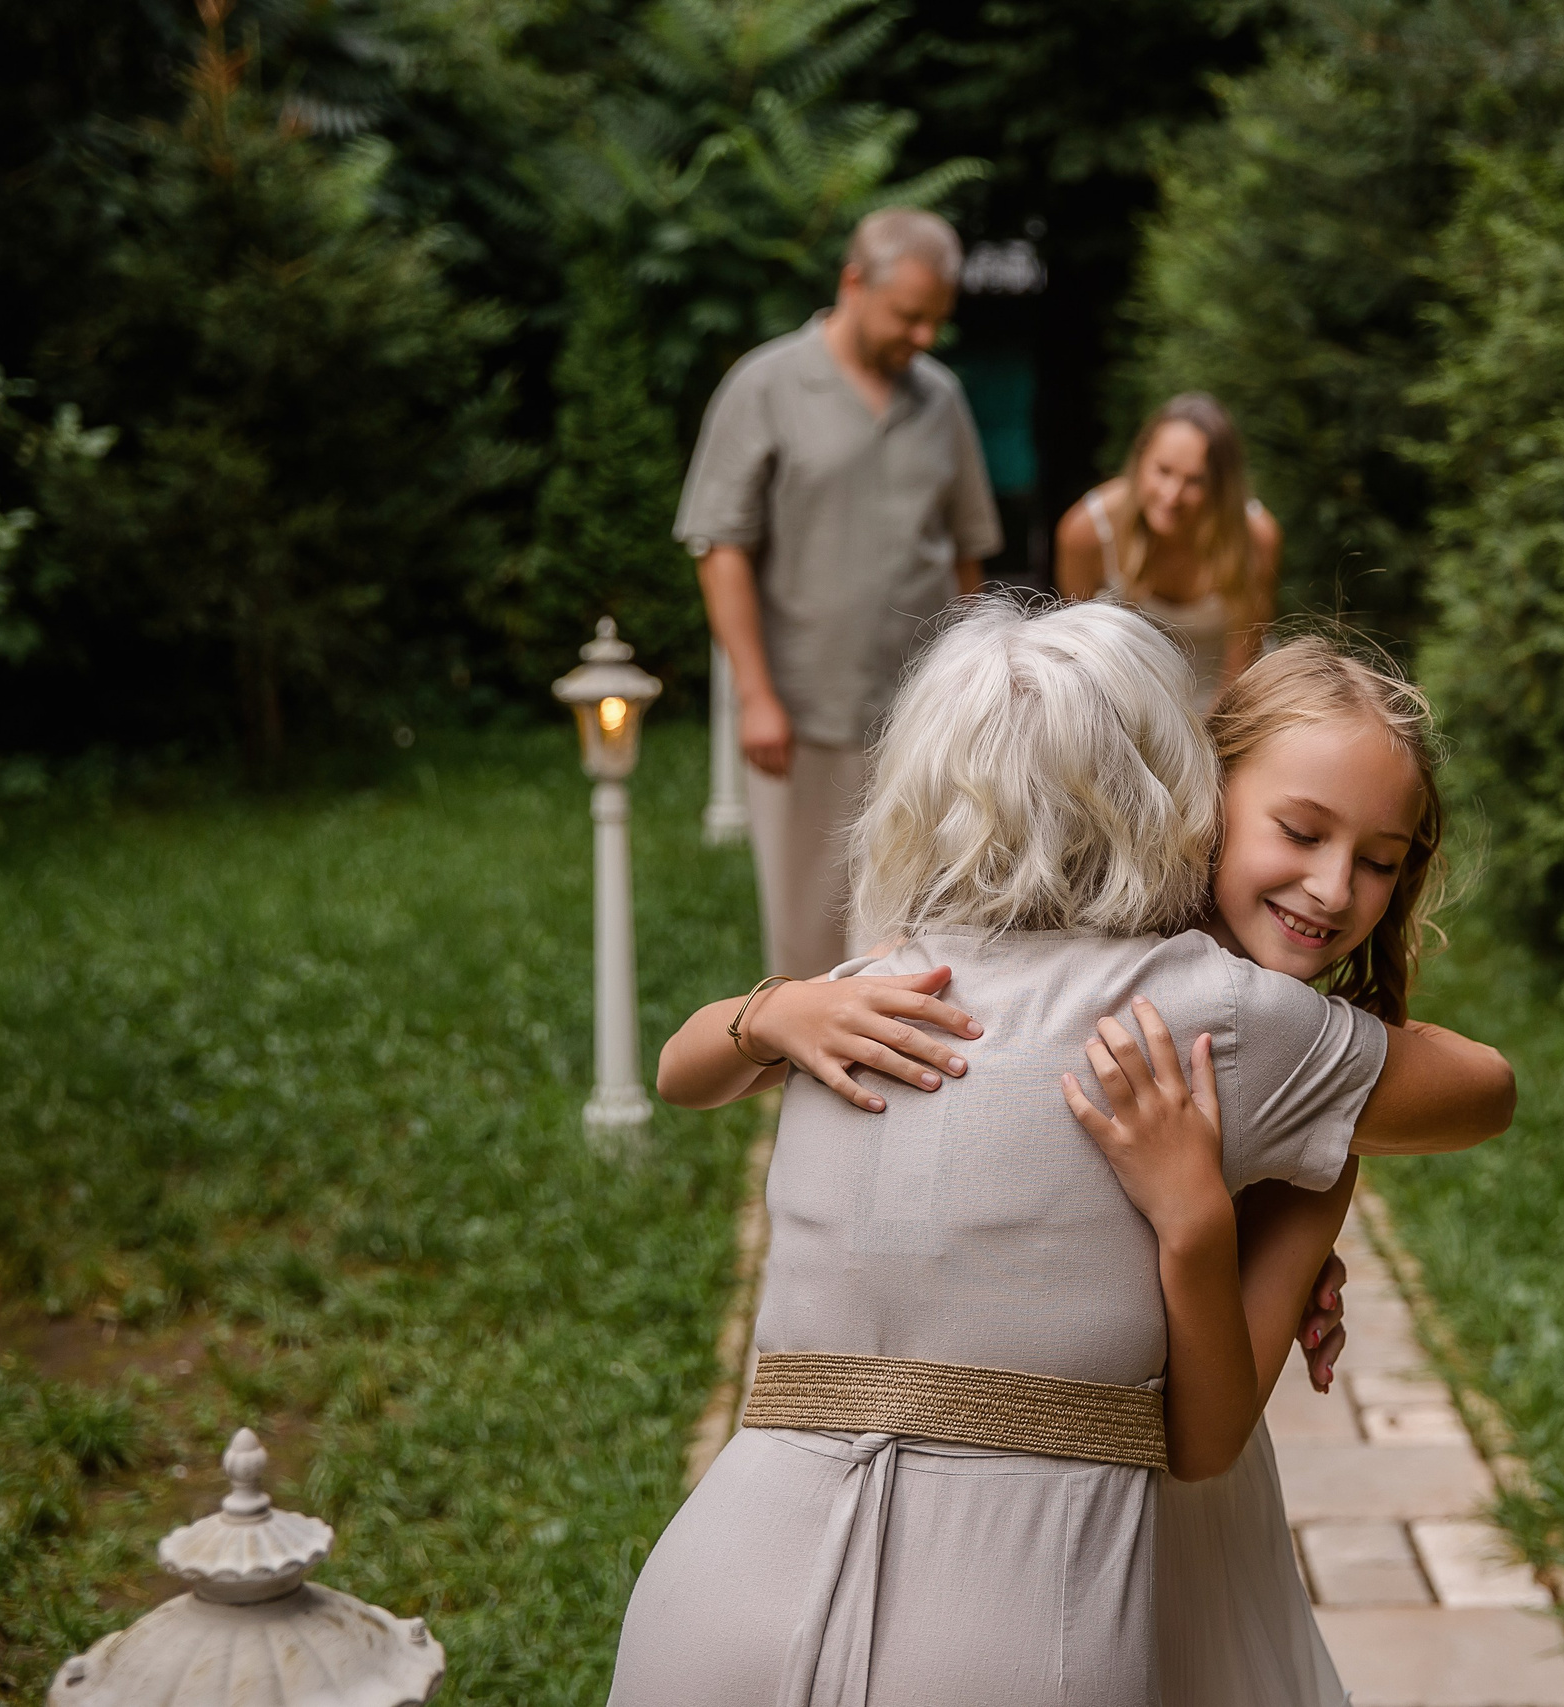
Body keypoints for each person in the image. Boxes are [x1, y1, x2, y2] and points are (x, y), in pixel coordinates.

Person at [605, 602, 1512, 1707]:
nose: (1332, 887)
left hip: (720, 1570)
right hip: (1037, 1598)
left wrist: (769, 1011)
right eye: (1299, 830)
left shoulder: (885, 980)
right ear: (1194, 793)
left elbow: (681, 1071)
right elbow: (1483, 1090)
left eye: (1377, 860)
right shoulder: (1232, 1020)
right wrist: (1220, 1217)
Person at [677, 207, 1002, 977]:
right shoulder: (765, 385)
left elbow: (967, 554)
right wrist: (756, 694)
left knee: (925, 921)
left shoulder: (942, 398)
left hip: (925, 713)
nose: (924, 335)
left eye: (936, 320)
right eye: (908, 315)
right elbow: (721, 549)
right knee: (808, 927)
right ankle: (801, 1049)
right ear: (853, 283)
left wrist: (978, 685)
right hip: (805, 710)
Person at [1056, 393, 1279, 709]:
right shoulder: (1086, 531)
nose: (1172, 496)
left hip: (1225, 706)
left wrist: (1209, 732)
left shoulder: (1256, 538)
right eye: (1162, 470)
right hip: (1124, 705)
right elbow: (1078, 658)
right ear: (1140, 460)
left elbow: (1241, 671)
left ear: (1221, 486)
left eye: (1195, 481)